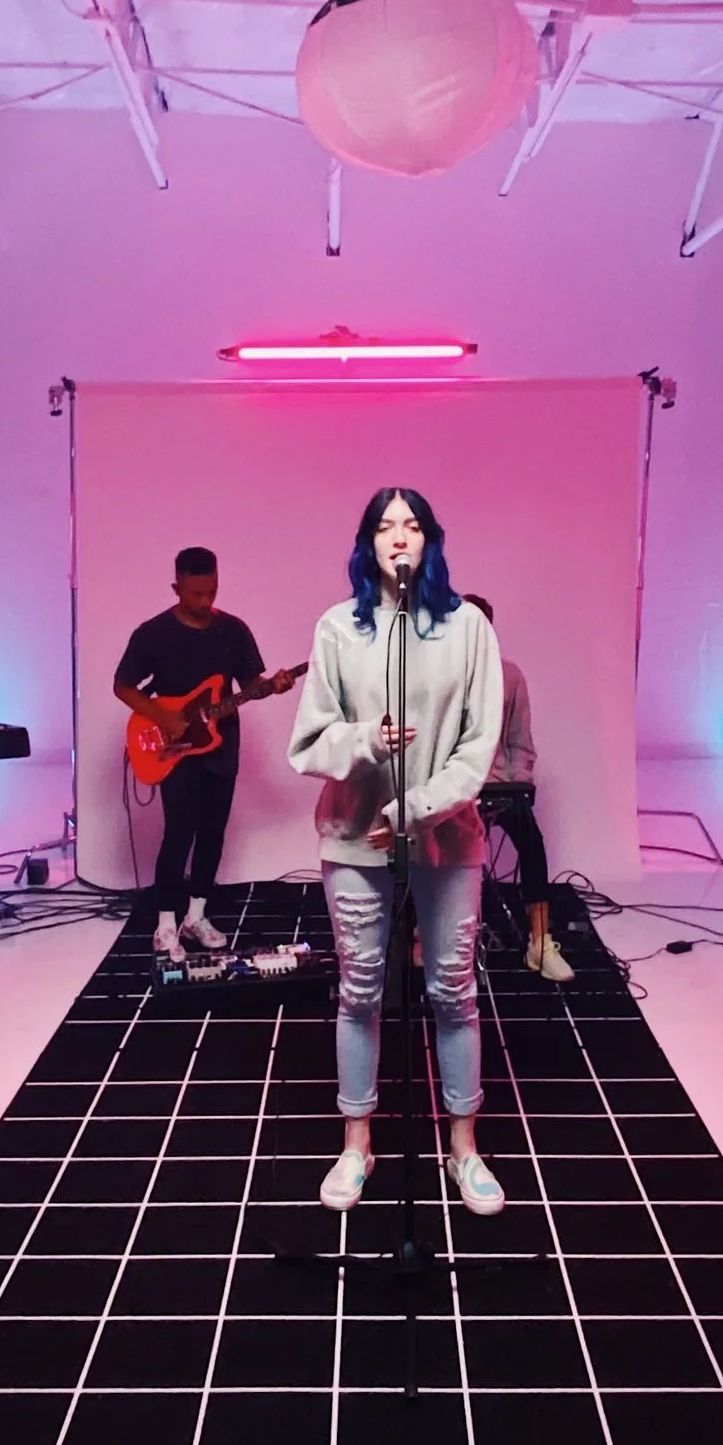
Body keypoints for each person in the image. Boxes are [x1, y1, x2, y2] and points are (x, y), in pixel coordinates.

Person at [290, 488, 507, 1214]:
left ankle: (463, 1147)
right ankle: (357, 1142)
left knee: (452, 988)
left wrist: (415, 809)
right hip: (355, 838)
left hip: (445, 837)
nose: (399, 536)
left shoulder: (470, 627)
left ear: (431, 539)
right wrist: (364, 740)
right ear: (367, 542)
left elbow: (480, 747)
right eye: (385, 526)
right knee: (359, 988)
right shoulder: (335, 628)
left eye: (411, 524)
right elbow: (307, 743)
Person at [112, 547, 300, 958]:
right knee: (179, 832)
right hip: (175, 748)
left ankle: (196, 915)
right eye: (195, 594)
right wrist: (161, 718)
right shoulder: (153, 633)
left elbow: (253, 682)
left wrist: (273, 685)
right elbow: (123, 685)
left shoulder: (233, 630)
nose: (204, 602)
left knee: (213, 834)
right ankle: (165, 923)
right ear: (176, 588)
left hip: (221, 746)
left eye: (211, 592)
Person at [460, 595, 571, 985]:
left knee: (533, 844)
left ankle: (540, 942)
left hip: (502, 788)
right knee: (442, 856)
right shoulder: (438, 678)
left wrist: (519, 784)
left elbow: (520, 740)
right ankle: (443, 938)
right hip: (455, 791)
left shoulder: (510, 676)